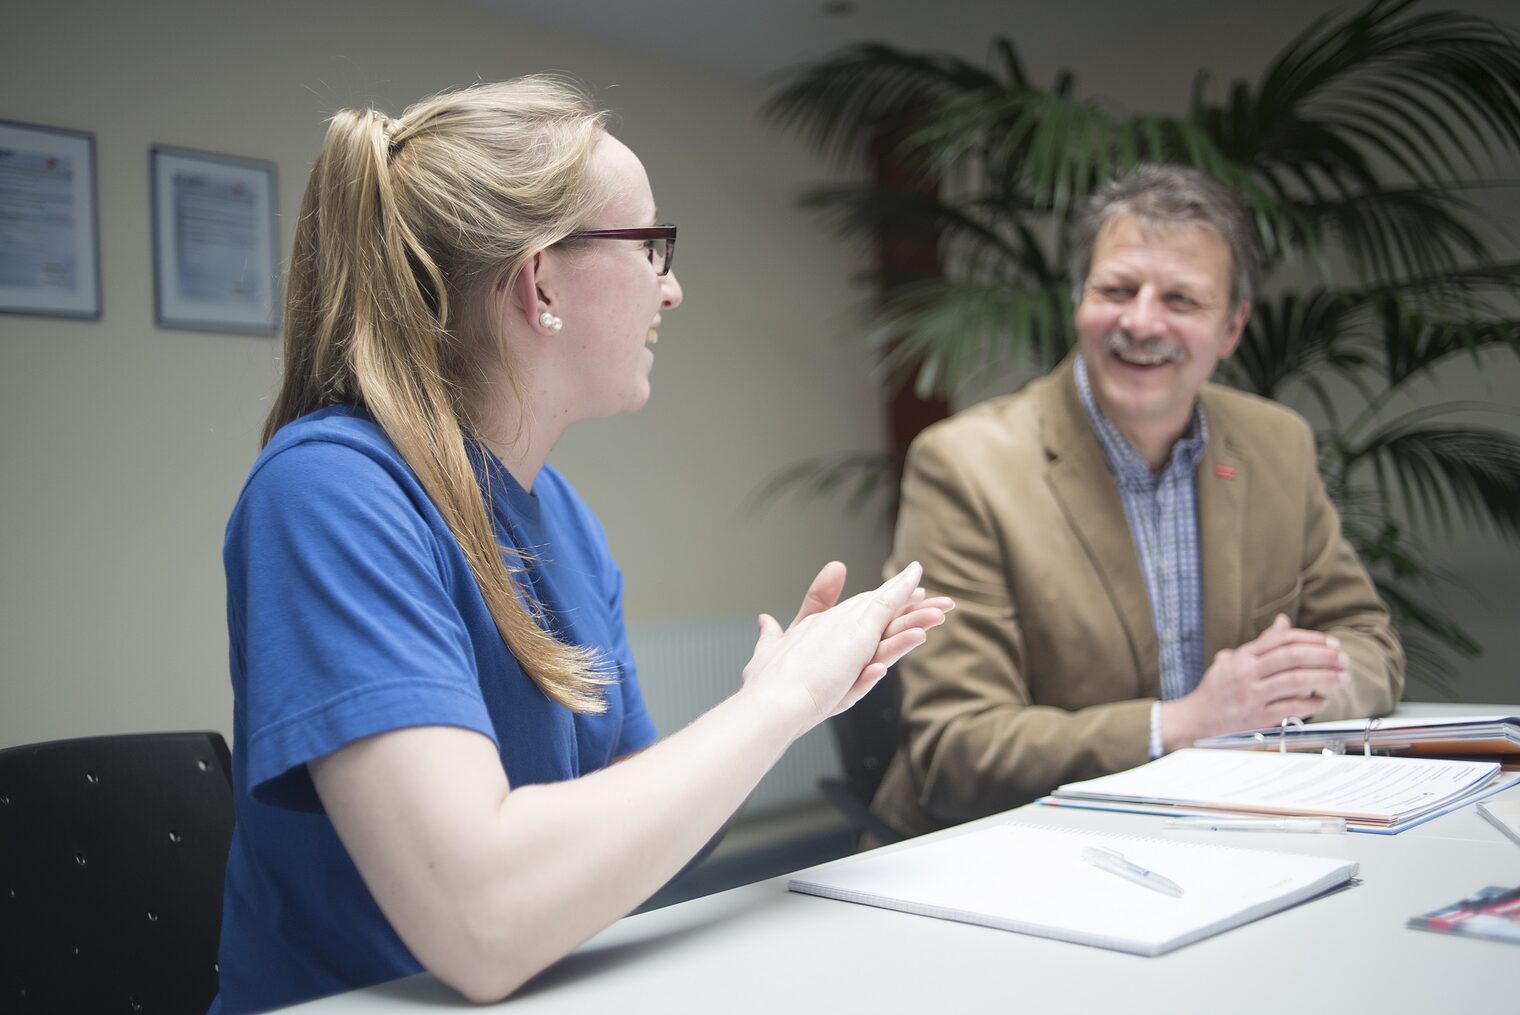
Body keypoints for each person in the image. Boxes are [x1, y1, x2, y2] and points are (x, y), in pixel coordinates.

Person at [211, 76, 951, 1014]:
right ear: (541, 280)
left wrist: (771, 706)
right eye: (650, 247)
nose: (672, 287)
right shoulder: (330, 492)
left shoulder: (559, 513)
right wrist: (781, 705)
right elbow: (480, 920)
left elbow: (631, 846)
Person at [870, 163, 1403, 841]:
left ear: (1232, 327)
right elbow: (958, 748)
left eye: (1181, 299)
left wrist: (1292, 688)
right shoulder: (966, 466)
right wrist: (1186, 721)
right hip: (1013, 851)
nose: (1141, 321)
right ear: (1079, 301)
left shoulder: (1278, 443)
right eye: (1117, 288)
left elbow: (1370, 644)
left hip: (1234, 830)